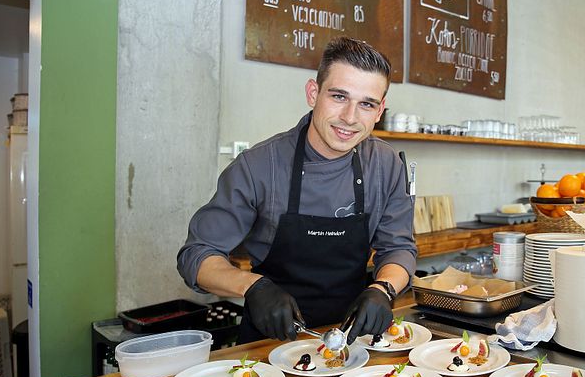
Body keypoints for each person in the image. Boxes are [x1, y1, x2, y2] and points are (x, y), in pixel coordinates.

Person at [177, 37, 416, 345]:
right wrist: (252, 286)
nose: (350, 118)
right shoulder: (259, 165)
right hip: (270, 342)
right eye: (339, 96)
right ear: (313, 93)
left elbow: (399, 248)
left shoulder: (386, 164)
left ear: (380, 110)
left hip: (354, 338)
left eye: (366, 104)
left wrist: (383, 289)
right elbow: (196, 255)